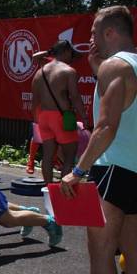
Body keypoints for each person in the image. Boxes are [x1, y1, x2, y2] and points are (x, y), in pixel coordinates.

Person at [57, 5, 137, 274]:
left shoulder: (115, 66)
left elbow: (105, 128)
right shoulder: (127, 66)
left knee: (102, 252)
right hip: (134, 170)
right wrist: (97, 70)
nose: (88, 39)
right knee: (134, 251)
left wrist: (80, 169)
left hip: (113, 168)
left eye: (93, 32)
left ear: (110, 33)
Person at [30, 39, 89, 183]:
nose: (72, 59)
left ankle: (49, 189)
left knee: (48, 155)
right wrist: (85, 118)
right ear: (66, 52)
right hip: (62, 117)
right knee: (69, 155)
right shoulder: (69, 71)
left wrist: (36, 118)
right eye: (71, 54)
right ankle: (64, 192)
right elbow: (75, 97)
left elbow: (35, 101)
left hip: (43, 117)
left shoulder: (39, 73)